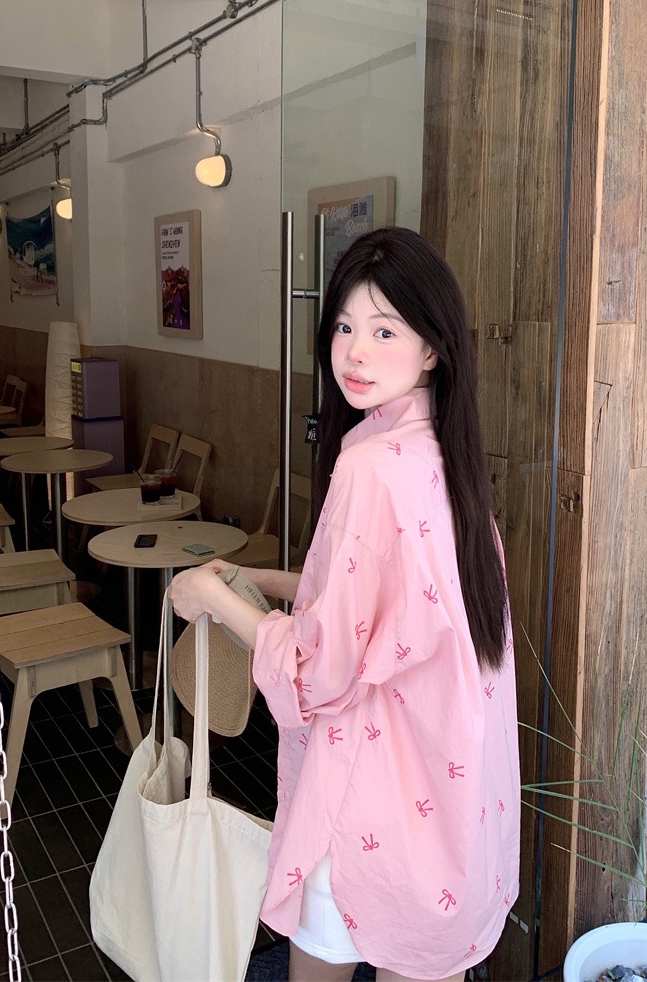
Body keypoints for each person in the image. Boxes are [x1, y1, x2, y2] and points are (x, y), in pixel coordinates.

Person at [168, 227, 520, 982]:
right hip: (450, 812)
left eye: (385, 331)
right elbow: (397, 609)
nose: (355, 353)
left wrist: (211, 595)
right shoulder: (444, 453)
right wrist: (270, 583)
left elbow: (318, 670)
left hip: (368, 809)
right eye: (344, 327)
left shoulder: (369, 465)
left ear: (433, 348)